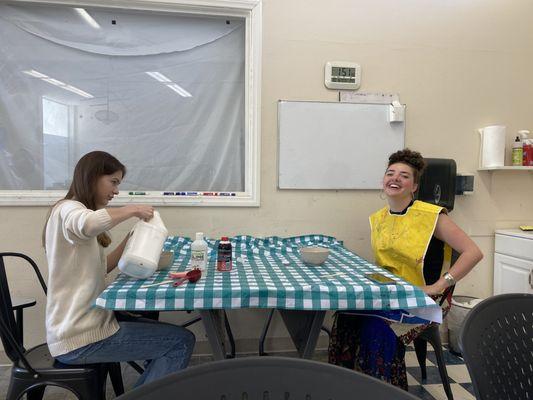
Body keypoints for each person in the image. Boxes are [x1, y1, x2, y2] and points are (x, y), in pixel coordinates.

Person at [328, 148, 483, 390]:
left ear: (414, 186)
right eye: (391, 173)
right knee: (346, 317)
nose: (395, 178)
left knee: (376, 329)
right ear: (383, 181)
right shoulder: (378, 218)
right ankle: (349, 388)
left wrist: (440, 284)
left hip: (422, 299)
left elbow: (473, 252)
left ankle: (387, 391)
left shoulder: (432, 216)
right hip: (388, 295)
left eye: (404, 175)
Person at [43, 151, 195, 387]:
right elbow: (87, 223)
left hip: (85, 327)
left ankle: (153, 387)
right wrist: (132, 209)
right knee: (180, 342)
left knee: (162, 332)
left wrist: (132, 239)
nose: (116, 191)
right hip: (79, 337)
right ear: (91, 177)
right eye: (113, 182)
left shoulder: (73, 212)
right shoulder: (68, 210)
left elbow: (101, 267)